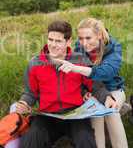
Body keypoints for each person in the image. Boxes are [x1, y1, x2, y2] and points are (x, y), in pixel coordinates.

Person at [11, 20, 116, 148]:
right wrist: (24, 103)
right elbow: (30, 93)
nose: (53, 45)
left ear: (68, 41)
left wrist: (107, 97)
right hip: (47, 116)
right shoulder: (35, 63)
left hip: (75, 115)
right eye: (50, 39)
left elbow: (95, 85)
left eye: (58, 41)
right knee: (31, 138)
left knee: (85, 140)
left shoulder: (79, 59)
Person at [57, 18, 128, 148]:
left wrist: (77, 68)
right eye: (81, 38)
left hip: (114, 89)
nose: (84, 43)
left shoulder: (113, 46)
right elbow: (77, 78)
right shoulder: (79, 48)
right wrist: (84, 92)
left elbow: (107, 72)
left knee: (111, 111)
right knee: (95, 114)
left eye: (88, 38)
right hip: (93, 91)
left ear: (99, 35)